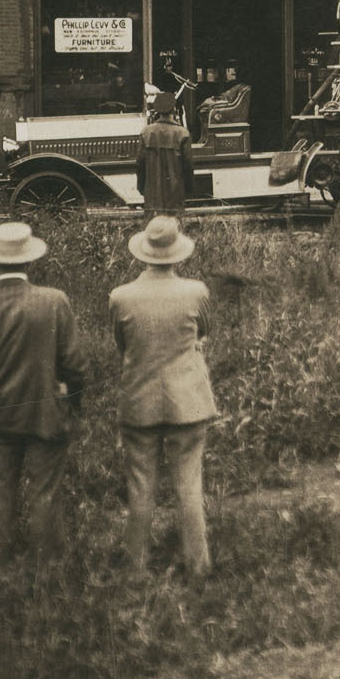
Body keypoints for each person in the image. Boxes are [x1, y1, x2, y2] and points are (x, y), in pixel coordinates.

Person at [0, 219, 89, 565]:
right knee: (45, 492)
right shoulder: (54, 301)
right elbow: (75, 365)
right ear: (29, 260)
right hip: (47, 411)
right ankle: (46, 569)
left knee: (0, 495)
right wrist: (73, 403)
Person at [109, 215, 218, 579]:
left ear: (144, 253)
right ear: (176, 254)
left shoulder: (121, 297)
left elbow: (122, 345)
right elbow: (204, 330)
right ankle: (198, 565)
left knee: (140, 486)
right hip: (188, 400)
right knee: (189, 484)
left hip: (139, 400)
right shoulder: (196, 291)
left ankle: (136, 567)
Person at [137, 84, 193, 221]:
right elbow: (188, 166)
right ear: (174, 109)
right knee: (174, 232)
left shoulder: (146, 132)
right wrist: (188, 190)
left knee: (152, 232)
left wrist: (142, 188)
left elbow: (140, 165)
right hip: (175, 195)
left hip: (152, 195)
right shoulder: (183, 133)